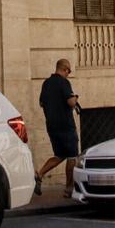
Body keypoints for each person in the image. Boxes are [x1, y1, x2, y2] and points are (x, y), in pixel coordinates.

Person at [35, 58, 80, 197]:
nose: (69, 74)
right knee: (72, 157)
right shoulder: (64, 82)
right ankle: (69, 189)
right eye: (69, 71)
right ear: (64, 69)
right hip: (66, 125)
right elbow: (71, 102)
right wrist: (76, 98)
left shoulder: (46, 83)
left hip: (52, 125)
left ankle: (40, 173)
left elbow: (41, 103)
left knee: (60, 155)